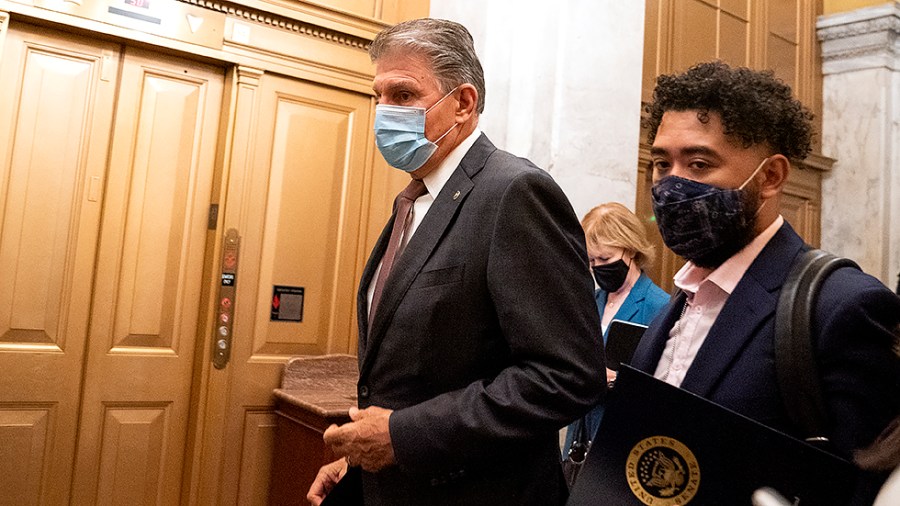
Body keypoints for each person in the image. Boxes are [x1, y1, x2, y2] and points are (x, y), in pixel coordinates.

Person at [306, 18, 605, 506]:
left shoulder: (513, 192)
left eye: (403, 96)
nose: (384, 112)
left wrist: (404, 436)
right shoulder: (413, 200)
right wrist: (356, 461)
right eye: (377, 96)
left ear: (463, 103)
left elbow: (567, 376)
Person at [630, 60, 900, 504]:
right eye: (662, 163)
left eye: (698, 163)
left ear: (771, 176)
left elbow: (863, 489)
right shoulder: (678, 304)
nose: (670, 184)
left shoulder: (844, 308)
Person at [562, 202, 669, 455]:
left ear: (630, 249)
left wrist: (618, 380)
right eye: (591, 260)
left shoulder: (660, 306)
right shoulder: (591, 301)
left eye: (606, 258)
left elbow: (665, 388)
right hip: (580, 433)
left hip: (622, 439)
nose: (598, 266)